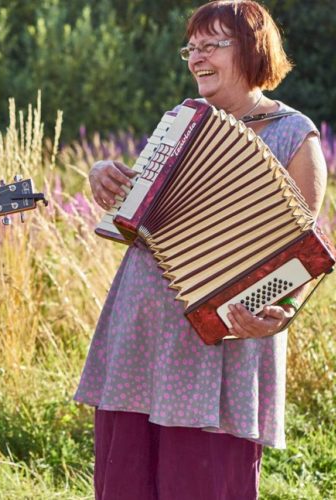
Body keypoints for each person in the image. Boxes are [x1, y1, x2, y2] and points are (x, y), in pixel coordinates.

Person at [76, 1, 327, 498]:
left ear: (252, 50)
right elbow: (134, 221)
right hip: (141, 335)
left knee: (203, 482)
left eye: (211, 45)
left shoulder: (296, 135)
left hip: (217, 347)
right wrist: (103, 174)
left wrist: (278, 311)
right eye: (191, 48)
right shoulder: (180, 122)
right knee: (125, 482)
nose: (196, 58)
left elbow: (303, 257)